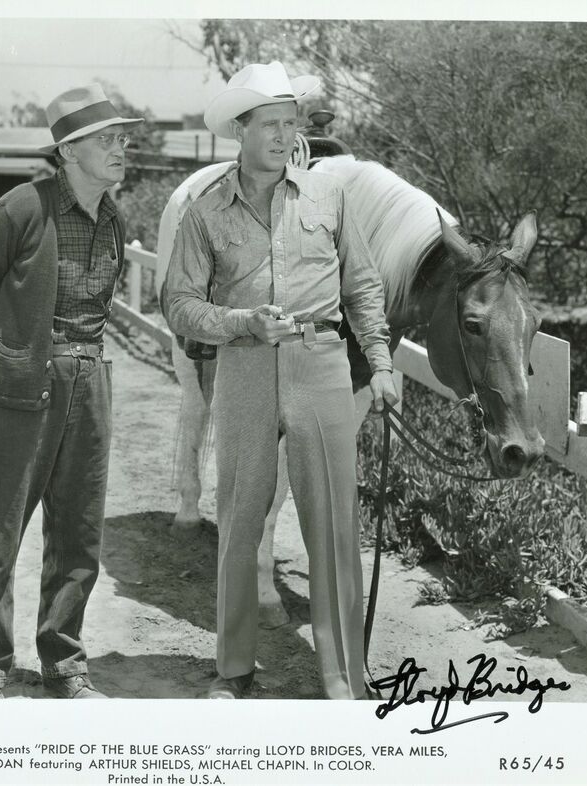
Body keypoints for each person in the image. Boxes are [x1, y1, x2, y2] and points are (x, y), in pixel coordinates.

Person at [163, 61, 399, 700]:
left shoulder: (330, 198)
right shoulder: (206, 212)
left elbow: (363, 286)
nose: (281, 135)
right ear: (240, 129)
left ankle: (341, 673)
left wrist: (378, 363)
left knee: (332, 519)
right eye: (268, 123)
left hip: (321, 361)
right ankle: (234, 669)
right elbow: (178, 303)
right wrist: (240, 322)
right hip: (243, 366)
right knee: (241, 515)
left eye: (289, 123)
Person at [0, 83, 142, 699]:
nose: (121, 148)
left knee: (79, 533)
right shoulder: (21, 209)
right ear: (68, 151)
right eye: (107, 140)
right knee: (0, 531)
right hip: (22, 388)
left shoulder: (113, 215)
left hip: (91, 377)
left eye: (122, 138)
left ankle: (64, 662)